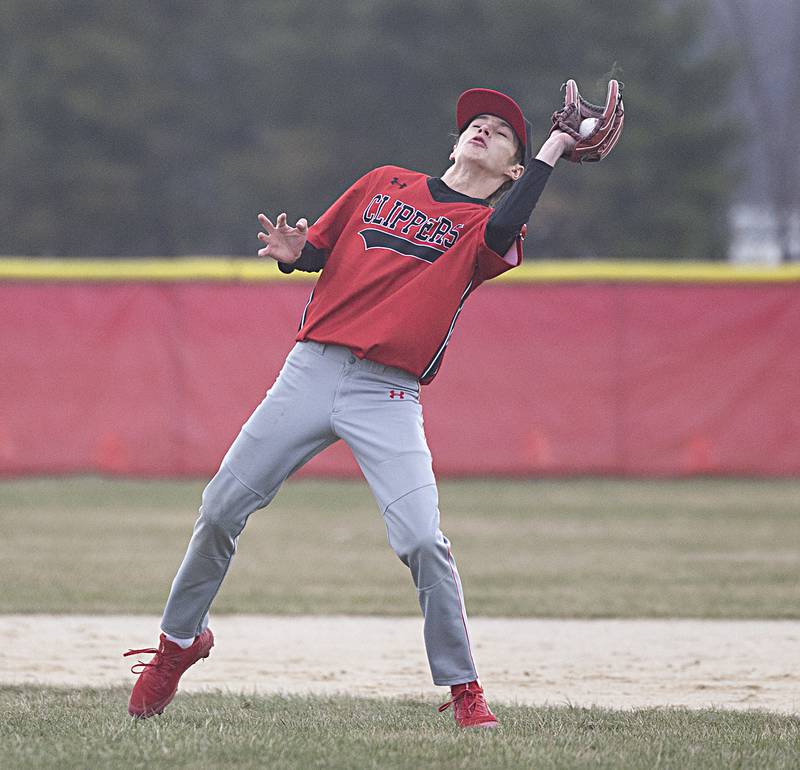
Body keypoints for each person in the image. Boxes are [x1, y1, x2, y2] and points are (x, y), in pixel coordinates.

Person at [124, 88, 577, 728]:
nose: (481, 129)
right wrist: (294, 256)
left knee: (422, 538)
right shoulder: (383, 182)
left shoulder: (486, 229)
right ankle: (177, 647)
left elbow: (507, 226)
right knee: (220, 507)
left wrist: (556, 147)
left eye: (501, 133)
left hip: (387, 394)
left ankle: (463, 689)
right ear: (452, 141)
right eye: (474, 123)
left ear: (512, 171)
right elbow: (318, 248)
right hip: (311, 369)